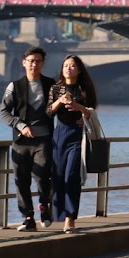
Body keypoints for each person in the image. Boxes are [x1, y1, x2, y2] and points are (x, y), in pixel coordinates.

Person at [0, 46, 55, 231]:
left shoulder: (51, 85)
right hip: (21, 141)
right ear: (24, 63)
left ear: (43, 64)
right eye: (31, 61)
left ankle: (44, 207)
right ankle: (28, 218)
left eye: (38, 61)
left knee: (42, 176)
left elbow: (59, 109)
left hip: (44, 139)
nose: (34, 64)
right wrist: (20, 125)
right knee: (21, 180)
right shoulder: (14, 86)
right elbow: (4, 112)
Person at [47, 55, 97, 233]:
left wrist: (79, 108)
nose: (68, 68)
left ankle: (70, 218)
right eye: (65, 65)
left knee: (72, 176)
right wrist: (59, 101)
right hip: (59, 135)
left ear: (79, 70)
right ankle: (57, 213)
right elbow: (48, 113)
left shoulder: (84, 89)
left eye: (72, 66)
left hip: (78, 136)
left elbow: (92, 112)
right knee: (58, 176)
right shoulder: (56, 88)